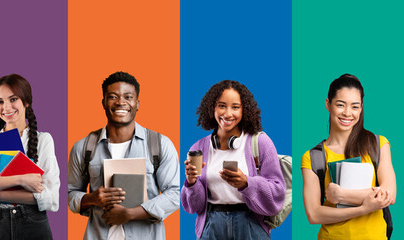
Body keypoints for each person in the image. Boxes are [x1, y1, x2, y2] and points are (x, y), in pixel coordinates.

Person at [68, 71, 180, 240]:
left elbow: (177, 193)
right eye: (113, 96)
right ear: (103, 102)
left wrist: (131, 213)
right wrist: (91, 198)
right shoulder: (83, 147)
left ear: (137, 103)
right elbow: (70, 194)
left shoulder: (159, 144)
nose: (121, 102)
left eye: (128, 97)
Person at [180, 80, 285, 239]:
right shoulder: (198, 148)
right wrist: (191, 183)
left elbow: (277, 194)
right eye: (222, 106)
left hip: (250, 224)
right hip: (211, 225)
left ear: (244, 110)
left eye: (235, 107)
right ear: (212, 108)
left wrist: (247, 183)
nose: (228, 114)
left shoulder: (260, 143)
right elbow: (194, 207)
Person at [301, 74, 395, 240]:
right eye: (340, 105)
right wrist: (363, 208)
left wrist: (341, 195)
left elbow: (389, 195)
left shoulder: (378, 145)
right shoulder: (313, 157)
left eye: (355, 107)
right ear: (328, 104)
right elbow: (314, 215)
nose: (347, 113)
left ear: (361, 108)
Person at [0, 74, 59, 239]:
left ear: (27, 101)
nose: (6, 107)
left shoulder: (44, 140)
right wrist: (21, 181)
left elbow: (51, 198)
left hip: (33, 225)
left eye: (13, 99)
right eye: (0, 102)